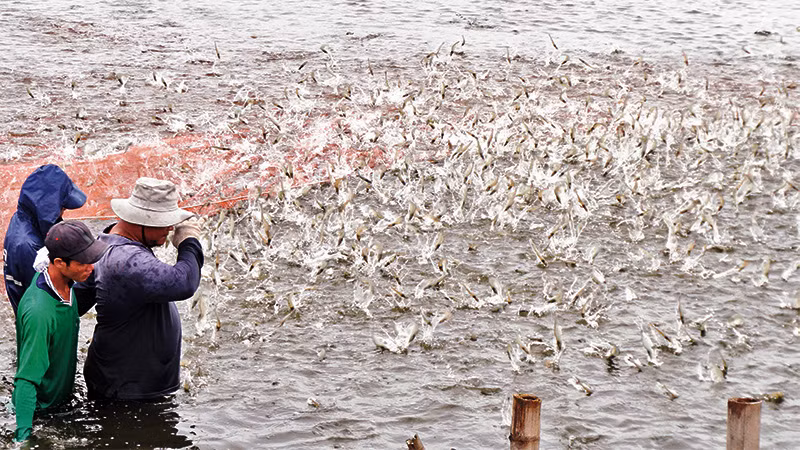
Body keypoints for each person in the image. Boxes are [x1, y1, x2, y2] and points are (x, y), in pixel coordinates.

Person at [75, 177, 204, 400]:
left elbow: (75, 302)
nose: (171, 228)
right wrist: (189, 243)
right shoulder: (126, 260)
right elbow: (184, 283)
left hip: (122, 382)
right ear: (143, 221)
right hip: (128, 391)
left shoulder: (107, 243)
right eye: (165, 222)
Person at [12, 220, 109, 442]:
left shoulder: (65, 282)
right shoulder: (40, 313)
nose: (91, 268)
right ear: (59, 262)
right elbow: (26, 380)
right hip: (42, 413)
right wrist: (23, 439)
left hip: (61, 399)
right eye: (83, 263)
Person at [4, 164, 88, 314]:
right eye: (61, 206)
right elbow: (50, 299)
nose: (63, 211)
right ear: (46, 207)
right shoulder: (29, 247)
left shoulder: (23, 217)